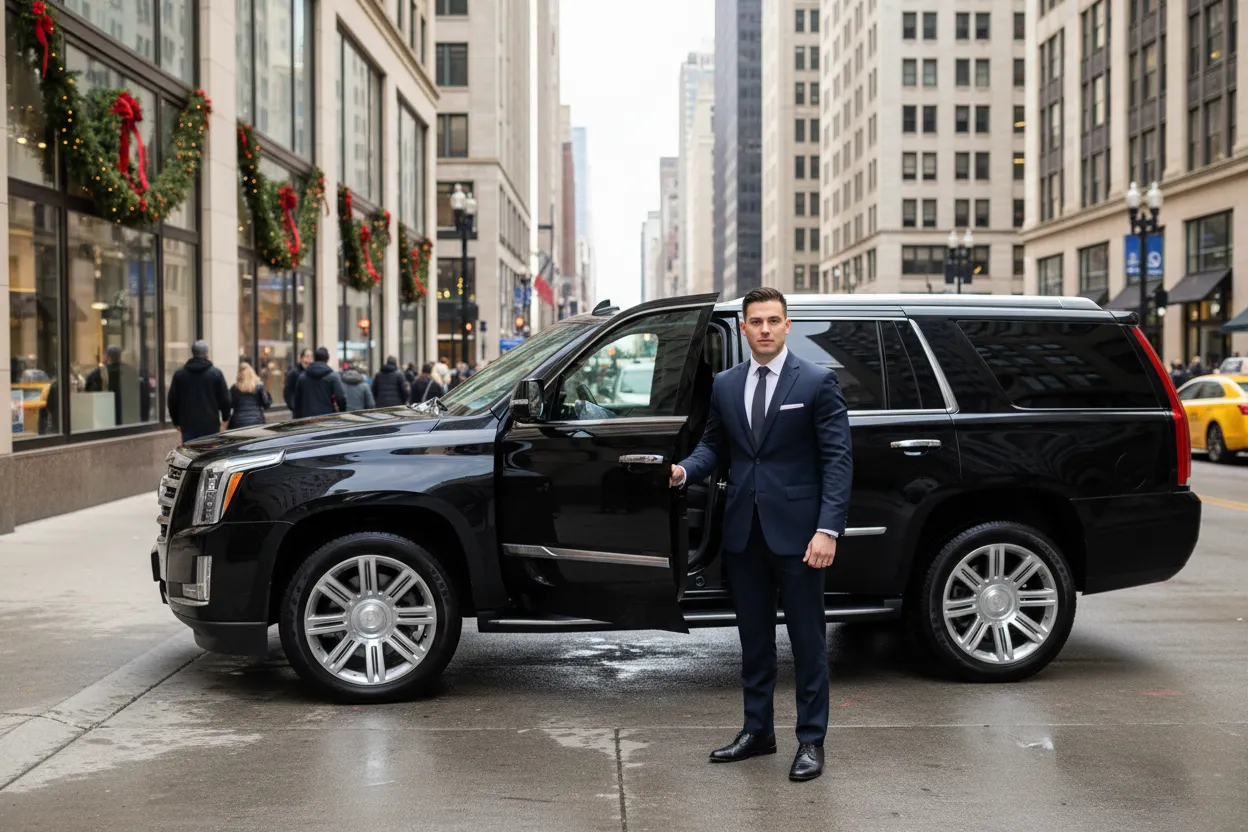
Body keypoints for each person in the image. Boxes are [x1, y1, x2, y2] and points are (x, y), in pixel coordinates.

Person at [670, 286, 853, 783]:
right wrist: (683, 471)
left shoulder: (816, 381)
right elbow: (713, 447)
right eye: (756, 321)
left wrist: (827, 529)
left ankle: (811, 740)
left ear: (787, 325)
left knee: (808, 642)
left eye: (774, 320)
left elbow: (837, 460)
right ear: (744, 327)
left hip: (801, 536)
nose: (765, 329)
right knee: (754, 642)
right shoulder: (726, 384)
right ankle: (758, 731)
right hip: (744, 534)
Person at [167, 340, 232, 443]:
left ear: (193, 353)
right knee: (210, 452)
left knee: (191, 452)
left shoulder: (180, 374)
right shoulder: (215, 373)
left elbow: (172, 401)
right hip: (210, 426)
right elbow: (225, 400)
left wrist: (176, 422)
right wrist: (225, 418)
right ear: (207, 354)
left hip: (188, 425)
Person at [293, 347, 348, 417]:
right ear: (327, 359)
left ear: (314, 358)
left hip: (307, 418)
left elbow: (297, 400)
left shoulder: (302, 377)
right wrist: (342, 411)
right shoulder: (333, 377)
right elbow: (341, 397)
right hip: (327, 417)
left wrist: (297, 417)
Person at [228, 361, 271, 429]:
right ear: (252, 372)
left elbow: (229, 404)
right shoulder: (259, 386)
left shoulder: (234, 388)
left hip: (239, 421)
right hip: (257, 420)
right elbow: (266, 403)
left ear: (239, 374)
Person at [285, 349, 313, 417]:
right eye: (307, 356)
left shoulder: (313, 372)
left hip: (311, 409)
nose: (310, 358)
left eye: (311, 356)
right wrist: (293, 406)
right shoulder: (294, 373)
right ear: (302, 358)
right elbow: (288, 391)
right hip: (299, 411)